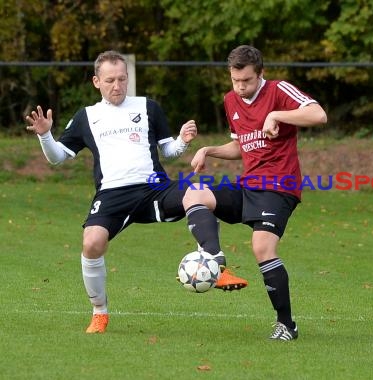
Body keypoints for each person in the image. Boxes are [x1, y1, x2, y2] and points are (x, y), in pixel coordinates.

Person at [25, 50, 246, 334]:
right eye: (109, 80)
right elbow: (58, 157)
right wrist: (45, 134)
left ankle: (216, 265)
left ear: (128, 78)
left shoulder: (148, 107)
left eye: (122, 79)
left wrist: (182, 140)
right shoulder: (86, 117)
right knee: (92, 243)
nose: (117, 86)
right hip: (112, 194)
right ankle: (100, 313)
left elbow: (168, 149)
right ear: (96, 81)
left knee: (198, 192)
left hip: (155, 187)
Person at [182, 45, 327, 340]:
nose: (240, 87)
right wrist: (208, 149)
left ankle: (286, 324)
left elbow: (318, 115)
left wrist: (277, 115)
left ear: (260, 74)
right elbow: (241, 145)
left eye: (246, 81)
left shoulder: (278, 90)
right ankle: (215, 261)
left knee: (261, 247)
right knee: (194, 193)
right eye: (235, 81)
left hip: (280, 187)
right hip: (248, 185)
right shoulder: (231, 100)